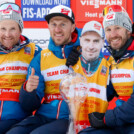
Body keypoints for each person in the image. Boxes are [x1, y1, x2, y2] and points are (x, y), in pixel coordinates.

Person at [7, 5, 81, 134]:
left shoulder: (86, 52)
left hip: (70, 118)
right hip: (44, 116)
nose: (57, 29)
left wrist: (82, 54)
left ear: (73, 27)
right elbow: (29, 106)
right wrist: (28, 91)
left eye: (63, 24)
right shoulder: (41, 57)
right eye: (53, 24)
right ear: (48, 27)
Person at [89, 5, 134, 134]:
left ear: (128, 30)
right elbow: (102, 93)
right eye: (108, 29)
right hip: (121, 121)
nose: (113, 34)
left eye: (118, 28)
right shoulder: (112, 60)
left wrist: (106, 118)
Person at [0, 2, 42, 134]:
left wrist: (77, 50)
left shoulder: (34, 51)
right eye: (2, 29)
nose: (7, 34)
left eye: (12, 28)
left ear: (20, 29)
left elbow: (57, 58)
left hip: (18, 118)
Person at [70, 20, 116, 134]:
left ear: (102, 43)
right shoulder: (70, 65)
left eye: (96, 41)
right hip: (71, 127)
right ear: (80, 41)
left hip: (98, 129)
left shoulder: (110, 68)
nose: (91, 46)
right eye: (87, 40)